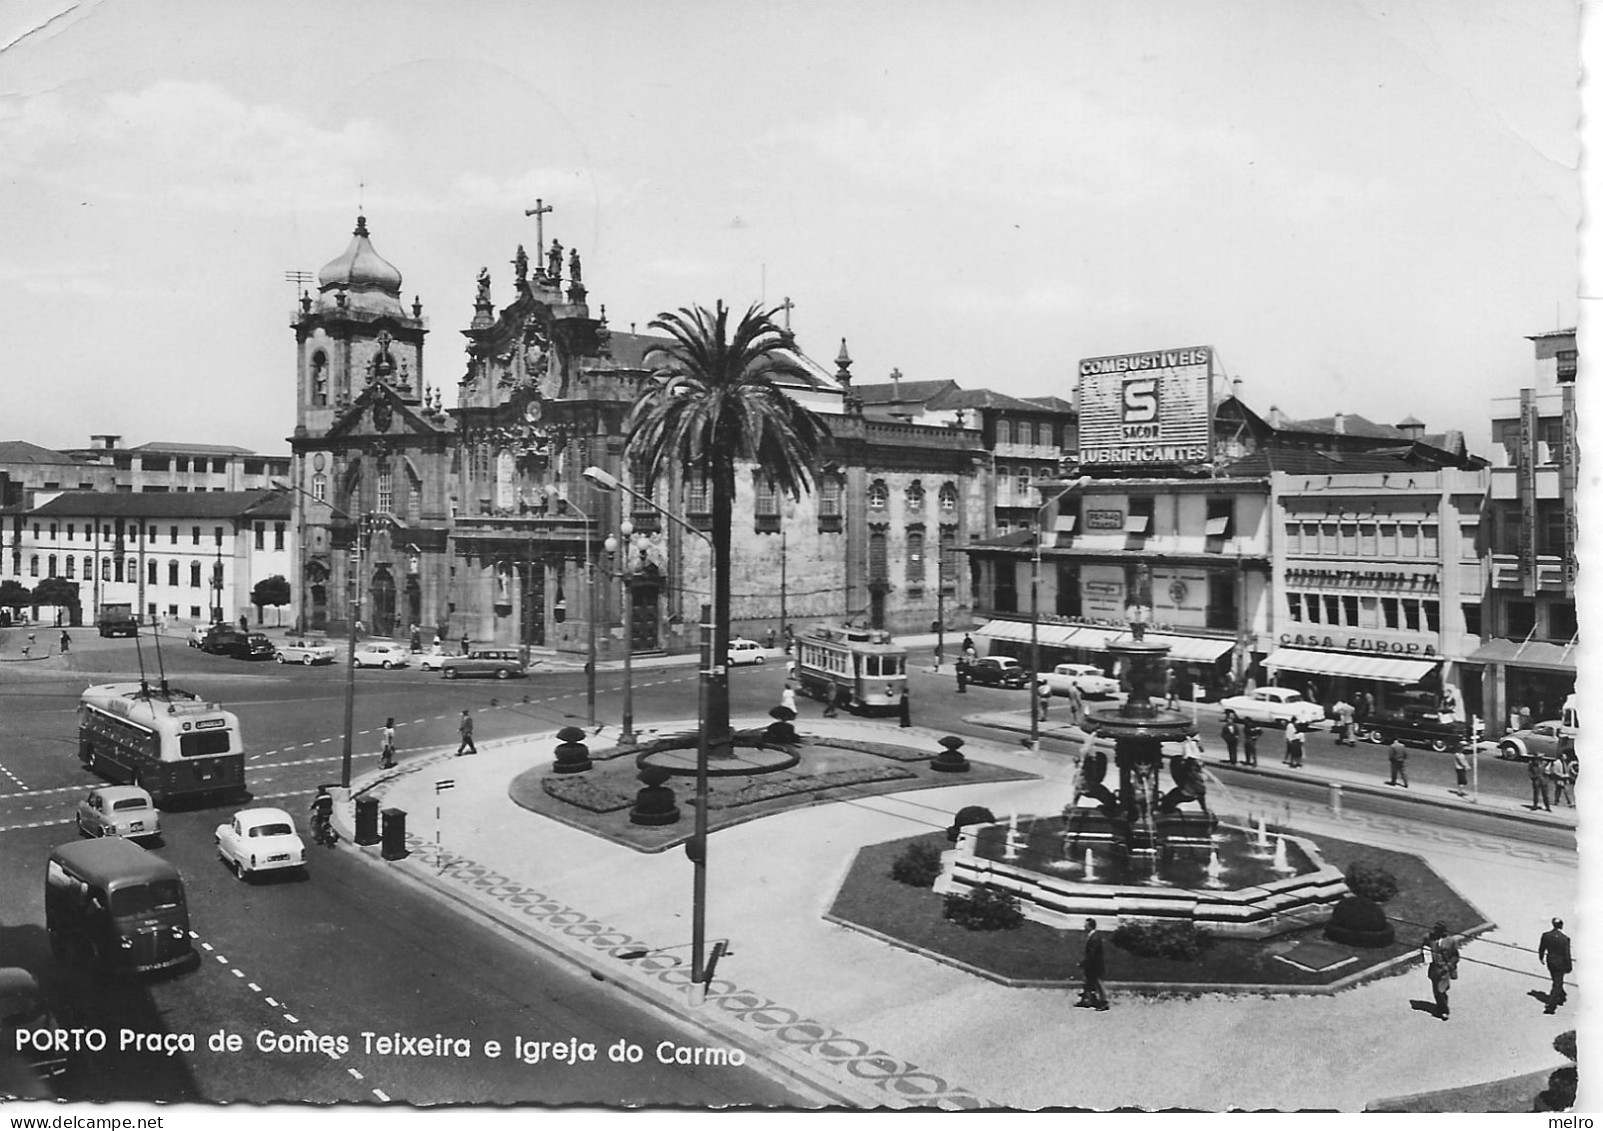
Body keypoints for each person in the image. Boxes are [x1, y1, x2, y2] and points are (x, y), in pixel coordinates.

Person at [1422, 921, 1459, 1019]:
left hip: (1444, 969)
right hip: (1434, 968)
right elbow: (1425, 947)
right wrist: (1426, 955)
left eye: (1438, 930)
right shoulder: (1429, 938)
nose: (1436, 932)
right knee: (1436, 991)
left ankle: (1444, 1010)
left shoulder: (1450, 941)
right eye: (1435, 929)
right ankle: (1440, 1005)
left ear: (1443, 931)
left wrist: (1449, 966)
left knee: (1441, 990)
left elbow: (1455, 956)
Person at [1538, 918, 1572, 1014]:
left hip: (1550, 961)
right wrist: (1569, 966)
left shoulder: (1546, 936)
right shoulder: (1565, 939)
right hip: (1560, 963)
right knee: (1557, 984)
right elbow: (1567, 954)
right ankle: (1551, 1006)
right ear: (1561, 925)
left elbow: (1542, 948)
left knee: (1556, 980)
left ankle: (1562, 996)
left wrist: (1541, 957)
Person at [1078, 919, 1109, 1011]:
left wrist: (1083, 962)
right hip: (1092, 965)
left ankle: (1104, 1002)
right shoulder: (1093, 936)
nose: (1084, 927)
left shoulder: (1094, 937)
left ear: (1090, 926)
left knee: (1098, 983)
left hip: (1095, 965)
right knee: (1088, 982)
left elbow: (1092, 954)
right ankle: (1087, 1000)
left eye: (1086, 925)